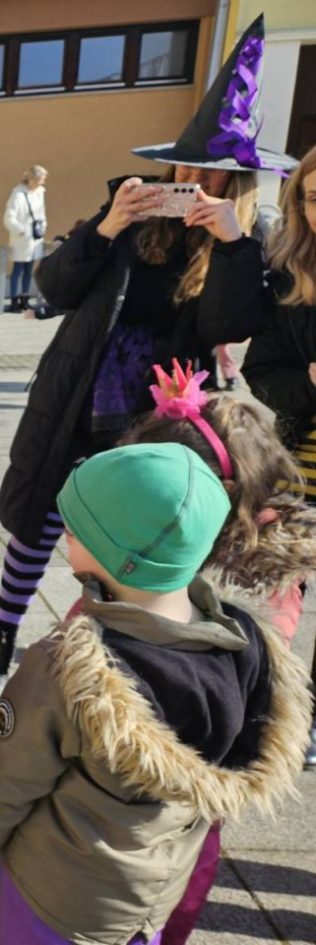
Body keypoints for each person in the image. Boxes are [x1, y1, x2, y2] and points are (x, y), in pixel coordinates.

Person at [0, 15, 294, 707]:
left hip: (163, 413)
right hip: (80, 393)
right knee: (38, 524)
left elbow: (229, 326)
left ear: (234, 181)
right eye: (185, 165)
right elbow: (53, 289)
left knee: (129, 540)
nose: (192, 181)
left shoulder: (244, 238)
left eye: (211, 173)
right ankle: (2, 634)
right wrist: (106, 225)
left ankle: (104, 656)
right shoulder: (131, 210)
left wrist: (234, 245)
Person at [0, 442, 312, 945]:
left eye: (73, 530)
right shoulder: (246, 647)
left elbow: (6, 777)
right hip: (153, 896)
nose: (63, 538)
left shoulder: (68, 668)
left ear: (118, 558)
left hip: (60, 897)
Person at [115, 362, 316, 943]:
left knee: (171, 848)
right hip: (215, 758)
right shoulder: (265, 565)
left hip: (166, 749)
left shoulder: (220, 585)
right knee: (194, 846)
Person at [240, 140, 316, 771]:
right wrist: (311, 380)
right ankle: (269, 708)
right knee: (281, 594)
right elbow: (260, 371)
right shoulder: (289, 275)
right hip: (302, 463)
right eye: (314, 198)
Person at [2, 164, 48, 312]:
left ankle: (25, 299)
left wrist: (43, 227)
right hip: (22, 238)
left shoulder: (39, 192)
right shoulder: (18, 194)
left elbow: (41, 213)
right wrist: (21, 231)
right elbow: (9, 218)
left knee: (29, 269)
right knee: (18, 269)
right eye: (40, 179)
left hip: (35, 237)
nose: (42, 183)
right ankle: (14, 300)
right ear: (32, 179)